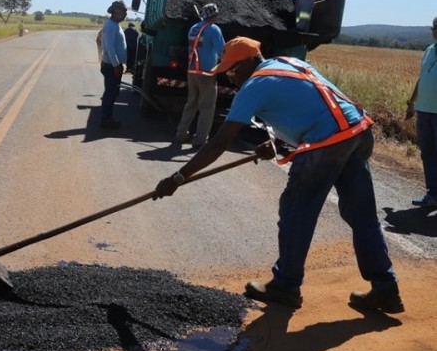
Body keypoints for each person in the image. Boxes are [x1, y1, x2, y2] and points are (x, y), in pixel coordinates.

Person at [154, 36, 403, 314]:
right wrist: (277, 144)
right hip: (358, 132)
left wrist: (179, 177)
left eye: (232, 71)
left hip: (328, 143)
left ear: (249, 62)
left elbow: (219, 142)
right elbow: (314, 108)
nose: (230, 79)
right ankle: (385, 288)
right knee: (362, 214)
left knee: (297, 210)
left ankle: (286, 284)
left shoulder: (255, 86)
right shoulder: (289, 63)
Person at [175, 3, 225, 147]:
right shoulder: (214, 29)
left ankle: (181, 134)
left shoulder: (193, 28)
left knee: (191, 104)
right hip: (206, 73)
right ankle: (200, 140)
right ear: (214, 15)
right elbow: (222, 51)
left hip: (192, 72)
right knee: (207, 107)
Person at [406, 17, 437, 207]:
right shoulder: (429, 50)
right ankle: (433, 194)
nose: (434, 31)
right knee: (428, 153)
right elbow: (421, 79)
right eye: (434, 28)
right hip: (424, 110)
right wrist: (411, 102)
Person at [99, 0, 128, 129]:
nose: (125, 14)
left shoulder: (115, 25)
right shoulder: (111, 26)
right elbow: (110, 48)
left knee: (112, 92)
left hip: (113, 65)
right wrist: (116, 65)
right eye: (123, 11)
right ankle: (105, 120)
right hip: (111, 66)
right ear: (115, 11)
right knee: (110, 93)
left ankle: (107, 118)